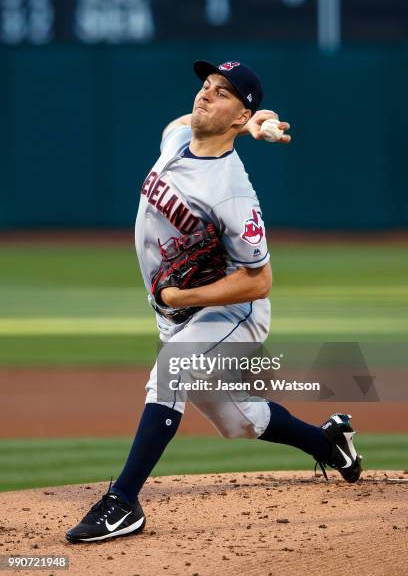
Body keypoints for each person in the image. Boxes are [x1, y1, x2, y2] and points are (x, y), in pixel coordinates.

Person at [66, 60, 361, 543]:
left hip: (232, 313)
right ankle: (330, 443)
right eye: (205, 85)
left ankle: (122, 503)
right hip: (180, 311)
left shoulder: (233, 194)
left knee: (169, 373)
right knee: (239, 420)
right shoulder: (177, 142)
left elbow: (259, 280)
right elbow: (180, 124)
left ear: (237, 114)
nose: (205, 95)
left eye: (222, 93)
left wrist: (189, 295)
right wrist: (251, 125)